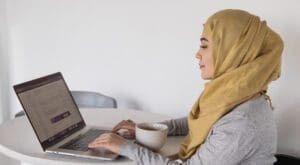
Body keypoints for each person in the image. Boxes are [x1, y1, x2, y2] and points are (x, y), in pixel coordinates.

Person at [88, 9, 284, 165]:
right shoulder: (239, 96)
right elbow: (200, 121)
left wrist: (125, 147)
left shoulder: (242, 122)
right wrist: (147, 130)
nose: (197, 54)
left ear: (232, 52)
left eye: (205, 46)